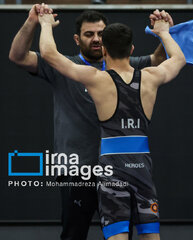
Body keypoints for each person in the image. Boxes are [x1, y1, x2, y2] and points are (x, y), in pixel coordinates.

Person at [8, 4, 173, 240]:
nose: (96, 39)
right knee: (74, 235)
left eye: (100, 34)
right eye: (89, 34)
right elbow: (17, 56)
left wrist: (166, 30)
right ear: (77, 39)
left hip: (121, 169)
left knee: (127, 235)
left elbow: (158, 59)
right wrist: (32, 22)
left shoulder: (125, 65)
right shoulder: (65, 66)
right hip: (78, 169)